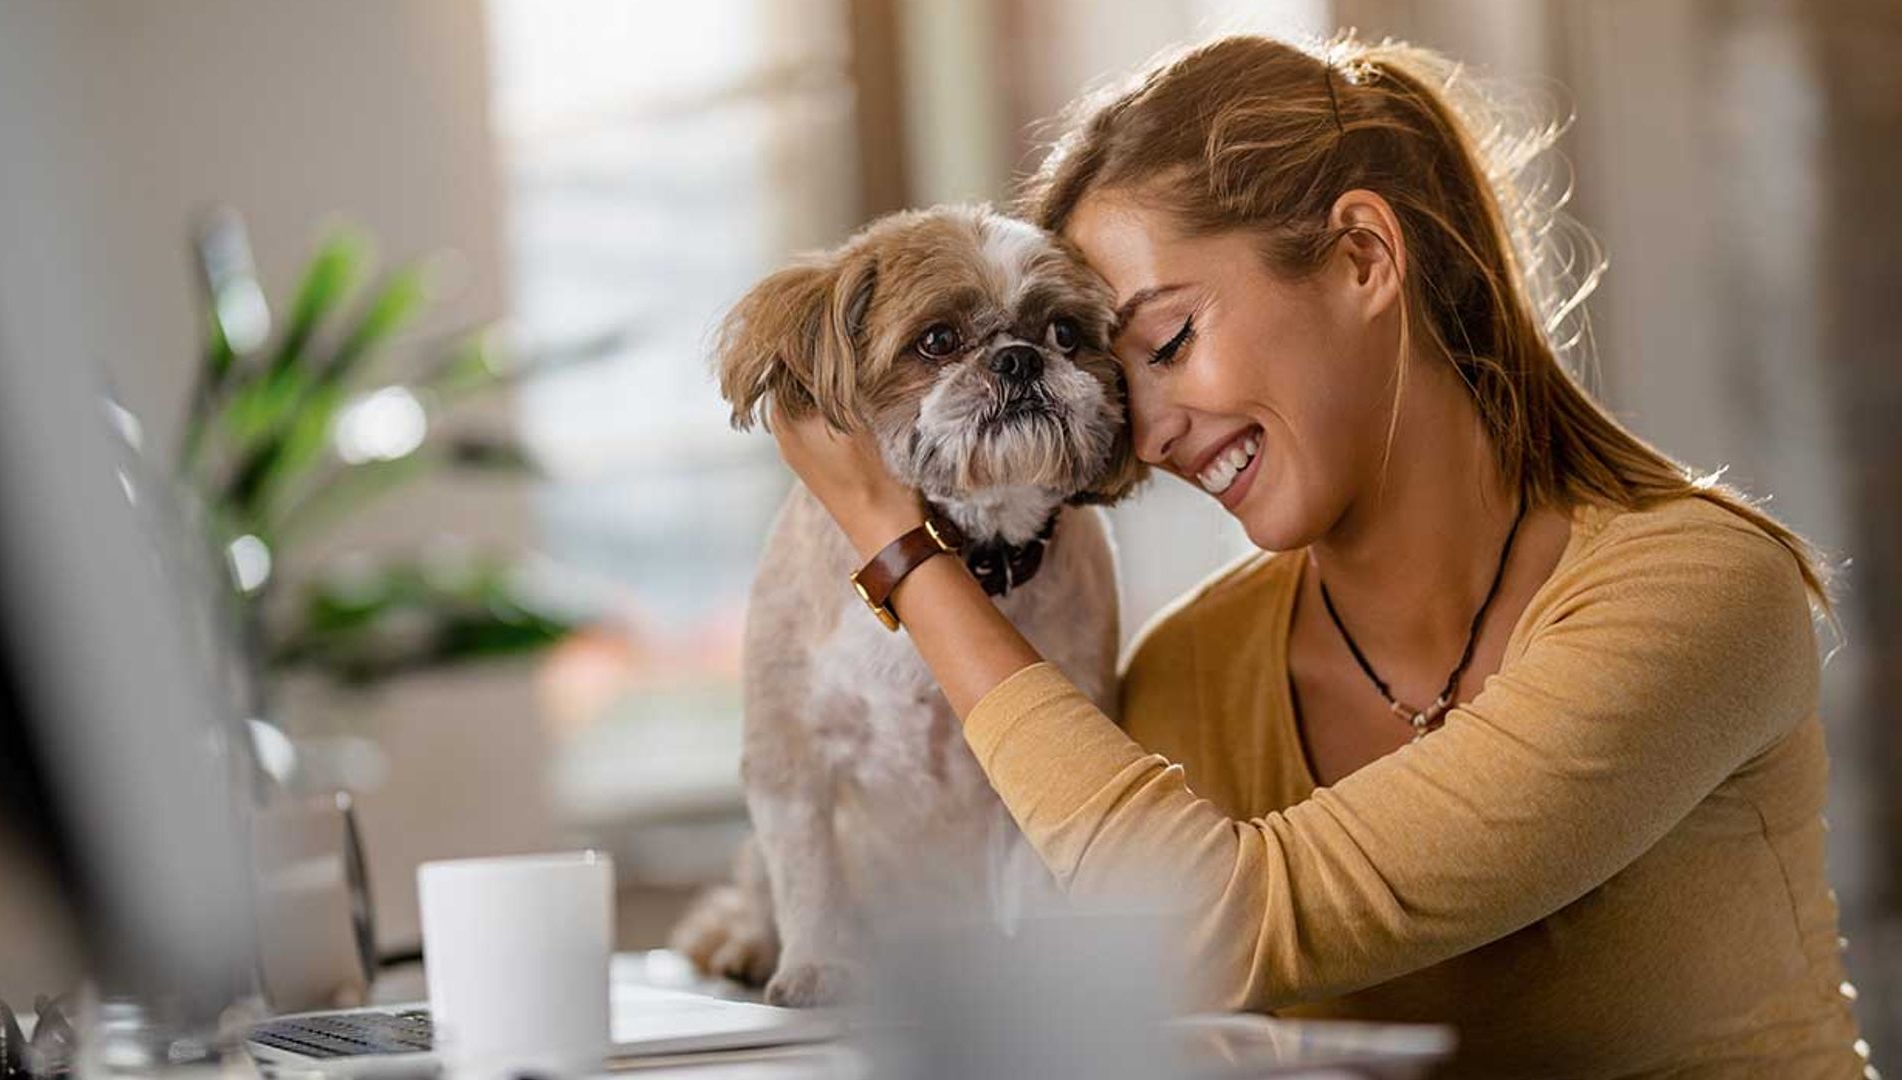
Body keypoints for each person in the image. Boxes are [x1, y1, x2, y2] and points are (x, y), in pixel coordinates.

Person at [767, 33, 1869, 1078]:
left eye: (1171, 343)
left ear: (1361, 256)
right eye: (1123, 376)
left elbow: (1229, 923)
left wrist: (899, 548)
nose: (1145, 434)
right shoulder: (1196, 665)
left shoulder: (1698, 590)